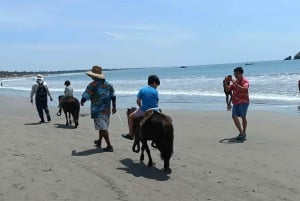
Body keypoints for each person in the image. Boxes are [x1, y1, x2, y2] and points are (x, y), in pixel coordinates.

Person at [81, 66, 116, 152]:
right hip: (107, 109)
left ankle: (109, 146)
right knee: (103, 126)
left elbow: (86, 95)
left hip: (97, 110)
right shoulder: (109, 84)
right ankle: (99, 141)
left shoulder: (92, 85)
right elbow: (113, 96)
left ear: (93, 76)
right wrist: (114, 107)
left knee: (103, 128)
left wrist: (82, 101)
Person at [122, 75, 160, 140]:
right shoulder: (156, 91)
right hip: (156, 110)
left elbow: (138, 101)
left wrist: (141, 107)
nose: (156, 87)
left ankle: (130, 134)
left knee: (130, 116)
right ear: (154, 83)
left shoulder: (142, 90)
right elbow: (157, 101)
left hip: (145, 110)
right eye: (157, 85)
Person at [225, 67, 249, 140]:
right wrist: (226, 82)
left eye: (237, 74)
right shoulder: (235, 81)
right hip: (235, 102)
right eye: (234, 74)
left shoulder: (245, 81)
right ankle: (241, 133)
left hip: (243, 102)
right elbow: (227, 89)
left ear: (241, 73)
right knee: (234, 116)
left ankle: (244, 132)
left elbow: (244, 89)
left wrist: (235, 83)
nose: (235, 75)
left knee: (243, 117)